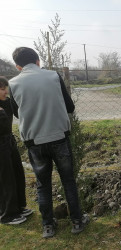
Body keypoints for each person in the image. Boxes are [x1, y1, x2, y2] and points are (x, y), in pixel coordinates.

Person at [9, 47, 89, 238]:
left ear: (18, 66)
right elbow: (70, 106)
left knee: (42, 185)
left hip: (34, 141)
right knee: (68, 181)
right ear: (38, 61)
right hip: (59, 137)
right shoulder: (53, 77)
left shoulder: (13, 84)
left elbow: (15, 113)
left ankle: (48, 226)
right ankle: (77, 221)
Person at [0, 76, 33, 225]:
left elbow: (19, 113)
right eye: (2, 89)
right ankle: (7, 214)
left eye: (6, 87)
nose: (5, 91)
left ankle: (18, 207)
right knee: (5, 179)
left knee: (17, 173)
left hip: (9, 141)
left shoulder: (6, 102)